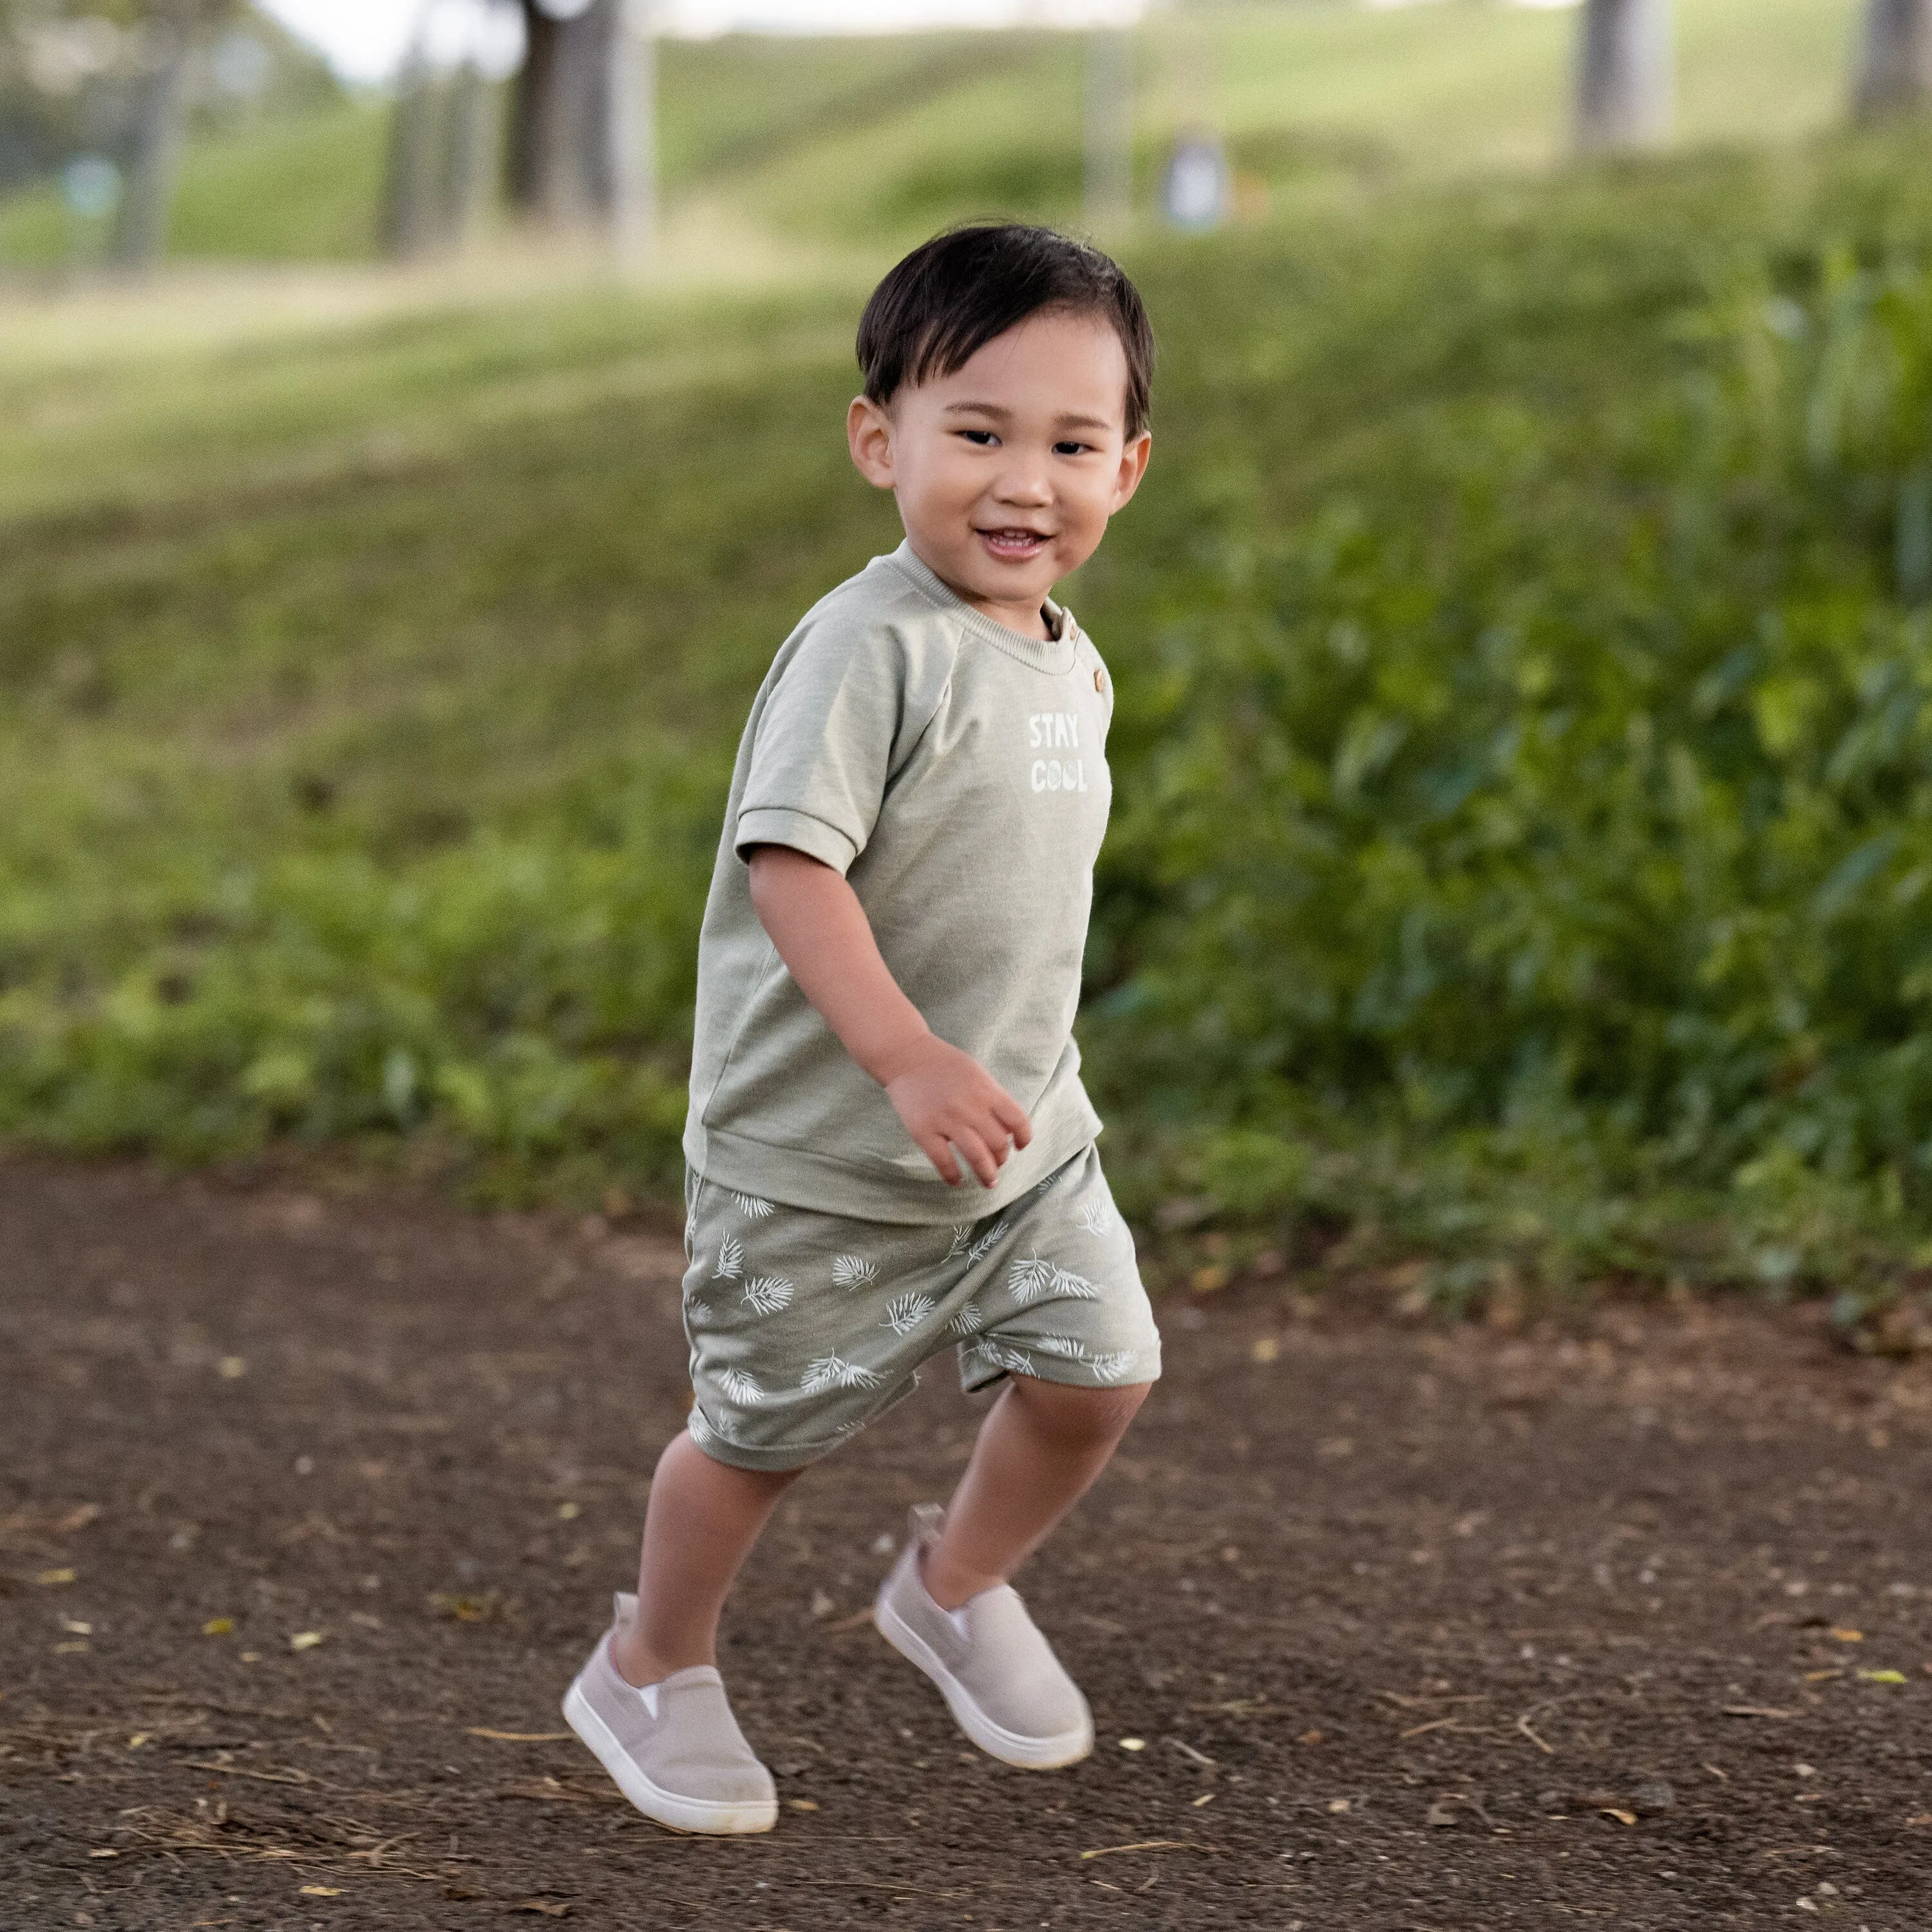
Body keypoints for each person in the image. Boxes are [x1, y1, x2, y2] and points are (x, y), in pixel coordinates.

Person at [563, 223, 1162, 1834]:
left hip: (1022, 1138)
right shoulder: (866, 646)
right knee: (755, 1439)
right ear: (878, 440)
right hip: (824, 1156)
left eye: (1070, 443)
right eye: (976, 433)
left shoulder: (1070, 662)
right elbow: (791, 866)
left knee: (1102, 1375)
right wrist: (901, 1055)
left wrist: (982, 1068)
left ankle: (953, 1587)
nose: (1023, 479)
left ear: (1130, 468)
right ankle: (651, 1658)